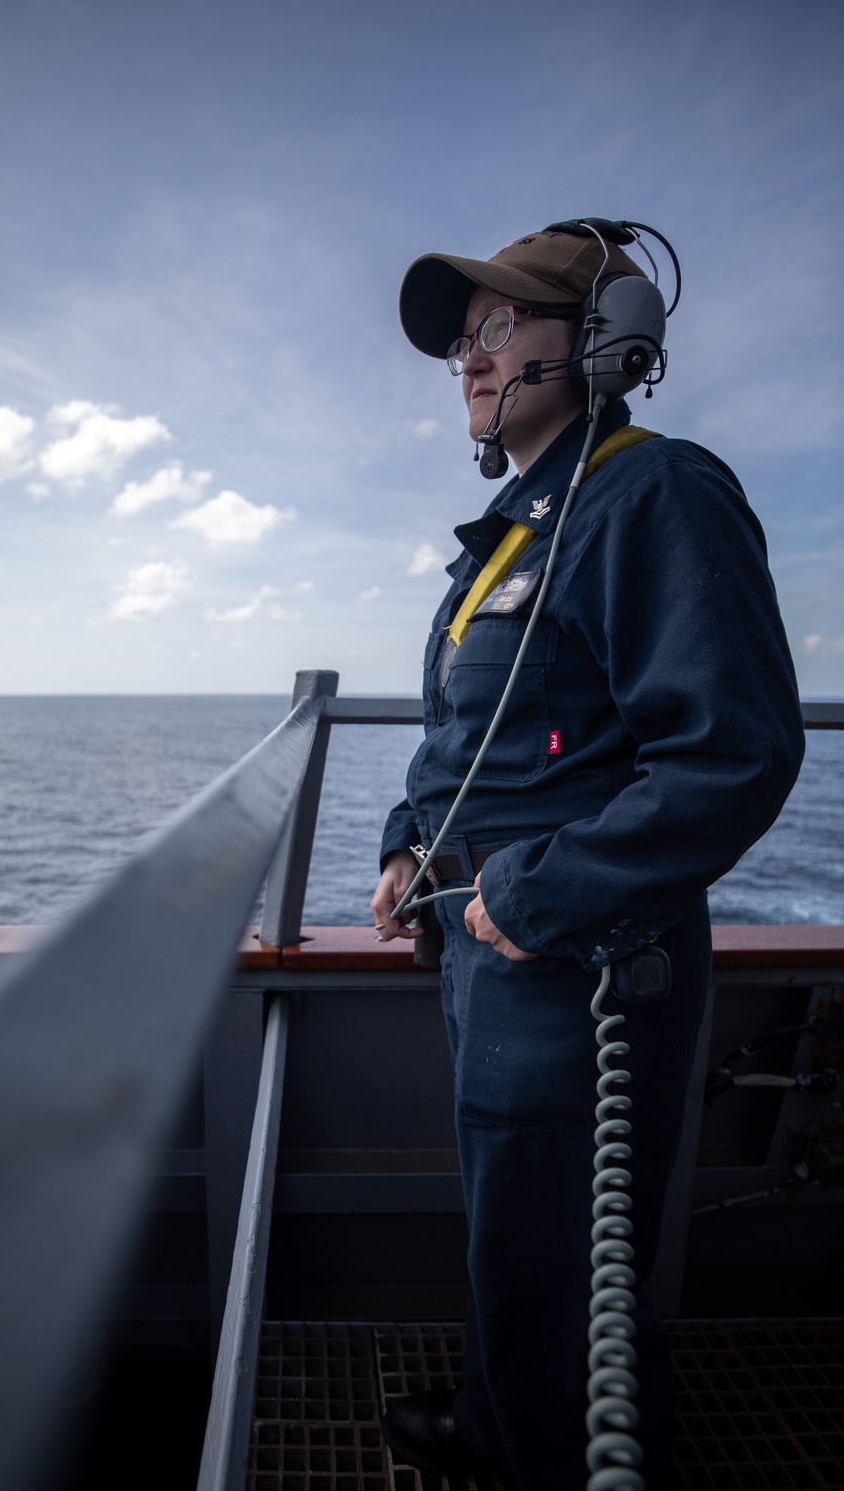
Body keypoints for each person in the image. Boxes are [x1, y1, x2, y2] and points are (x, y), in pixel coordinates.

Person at [370, 222, 805, 1491]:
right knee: (514, 1227)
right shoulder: (512, 531)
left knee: (563, 1247)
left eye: (496, 326)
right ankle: (502, 1425)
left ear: (606, 336)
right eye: (462, 338)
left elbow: (730, 755)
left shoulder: (653, 493)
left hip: (574, 964)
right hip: (483, 944)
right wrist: (410, 847)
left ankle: (544, 1461)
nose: (468, 355)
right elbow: (472, 730)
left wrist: (538, 893)